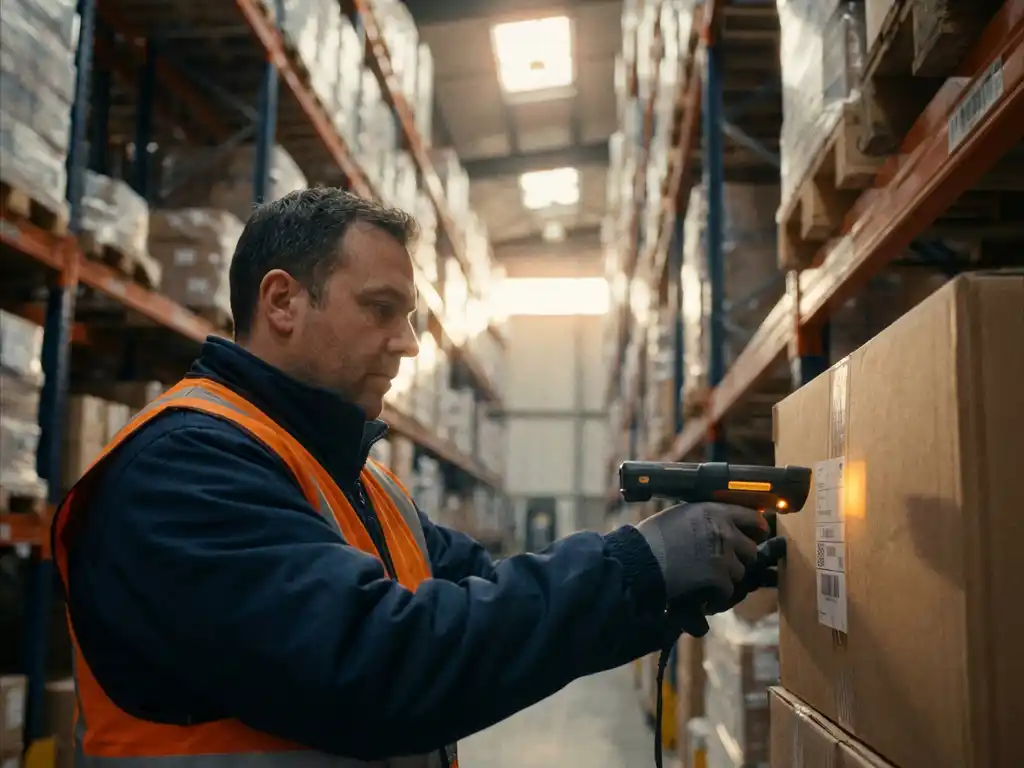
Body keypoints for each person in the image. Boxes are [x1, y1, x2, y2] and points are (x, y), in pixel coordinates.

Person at [52, 188, 784, 767]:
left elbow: (488, 602)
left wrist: (674, 580)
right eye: (381, 311)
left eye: (409, 318)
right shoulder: (182, 472)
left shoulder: (362, 486)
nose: (405, 345)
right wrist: (639, 564)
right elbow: (379, 665)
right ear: (281, 302)